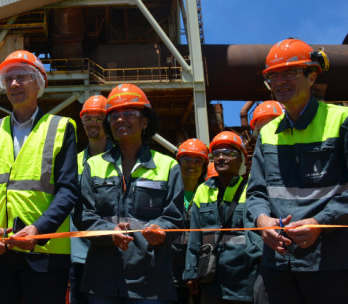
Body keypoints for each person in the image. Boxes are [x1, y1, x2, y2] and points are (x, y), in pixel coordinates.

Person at [0, 50, 78, 304]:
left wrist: (39, 230)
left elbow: (68, 189)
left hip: (43, 255)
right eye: (8, 79)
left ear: (39, 83)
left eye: (22, 77)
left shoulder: (61, 128)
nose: (14, 84)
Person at [247, 38, 348, 303]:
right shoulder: (268, 133)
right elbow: (256, 192)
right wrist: (262, 221)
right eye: (273, 76)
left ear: (312, 76)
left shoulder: (341, 121)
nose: (280, 82)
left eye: (290, 72)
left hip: (331, 264)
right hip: (277, 264)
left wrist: (320, 223)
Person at [74, 83, 184, 304]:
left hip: (149, 280)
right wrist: (109, 232)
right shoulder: (93, 166)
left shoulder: (167, 166)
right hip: (102, 279)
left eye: (129, 113)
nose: (120, 120)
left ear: (145, 122)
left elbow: (175, 218)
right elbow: (83, 215)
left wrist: (161, 229)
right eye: (114, 116)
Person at [184, 131, 262, 303]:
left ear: (242, 159)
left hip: (245, 278)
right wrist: (191, 271)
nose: (221, 157)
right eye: (216, 154)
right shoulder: (203, 190)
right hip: (211, 279)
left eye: (229, 153)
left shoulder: (252, 191)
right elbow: (195, 236)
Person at [71, 94, 111, 304]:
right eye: (88, 118)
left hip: (112, 251)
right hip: (78, 254)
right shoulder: (75, 162)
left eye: (98, 118)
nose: (92, 123)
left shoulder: (120, 159)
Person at [173, 138, 209, 304]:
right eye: (186, 160)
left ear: (204, 165)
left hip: (201, 270)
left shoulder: (210, 194)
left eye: (198, 161)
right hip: (172, 268)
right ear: (178, 163)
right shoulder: (169, 192)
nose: (191, 165)